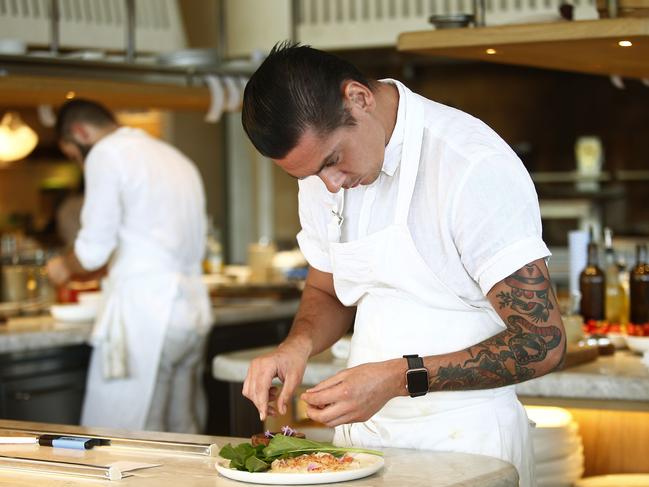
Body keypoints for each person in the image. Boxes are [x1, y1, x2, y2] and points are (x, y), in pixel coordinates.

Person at [240, 42, 565, 486]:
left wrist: (397, 378)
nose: (331, 185)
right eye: (311, 176)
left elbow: (542, 342)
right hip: (362, 444)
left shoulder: (469, 165)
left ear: (359, 98)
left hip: (468, 447)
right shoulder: (324, 176)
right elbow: (326, 289)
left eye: (333, 161)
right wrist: (294, 346)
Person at [46, 99, 211, 433]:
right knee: (183, 431)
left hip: (146, 316)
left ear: (80, 132)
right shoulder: (174, 156)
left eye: (74, 154)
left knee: (135, 438)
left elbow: (93, 250)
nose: (80, 163)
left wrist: (63, 266)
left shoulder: (107, 154)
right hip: (192, 310)